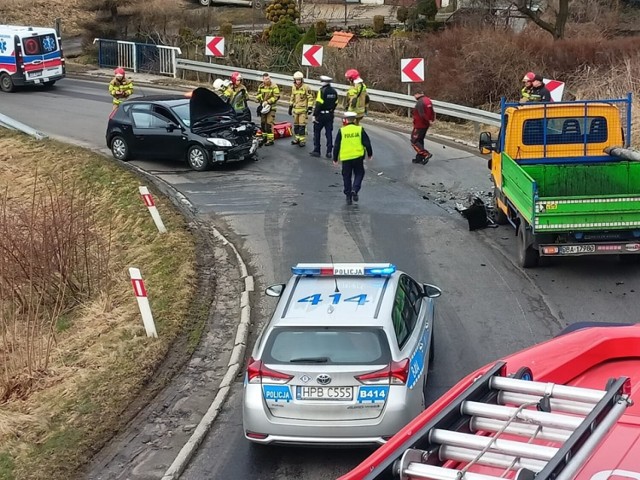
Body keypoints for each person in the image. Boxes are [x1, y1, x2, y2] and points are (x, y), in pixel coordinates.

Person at [332, 111, 373, 205]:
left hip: (346, 158)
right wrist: (370, 154)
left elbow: (337, 145)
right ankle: (355, 189)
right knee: (359, 173)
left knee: (346, 176)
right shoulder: (359, 129)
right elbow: (367, 143)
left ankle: (348, 196)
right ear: (354, 119)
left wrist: (335, 158)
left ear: (345, 120)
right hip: (358, 157)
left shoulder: (342, 131)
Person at [310, 75, 338, 158]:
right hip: (330, 115)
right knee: (329, 133)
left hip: (321, 115)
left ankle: (317, 150)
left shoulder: (322, 91)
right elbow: (336, 103)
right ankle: (329, 151)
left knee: (317, 132)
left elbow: (319, 104)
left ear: (323, 82)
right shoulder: (334, 91)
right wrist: (331, 110)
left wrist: (314, 115)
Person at [288, 71, 314, 147]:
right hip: (296, 110)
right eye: (297, 80)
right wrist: (290, 107)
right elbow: (292, 97)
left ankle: (302, 140)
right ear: (294, 80)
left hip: (303, 110)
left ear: (302, 80)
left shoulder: (306, 87)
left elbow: (310, 98)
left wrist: (310, 108)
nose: (298, 81)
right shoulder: (294, 87)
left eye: (299, 80)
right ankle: (297, 139)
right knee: (296, 126)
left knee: (302, 126)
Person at [411, 89, 435, 165]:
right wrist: (431, 120)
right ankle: (419, 158)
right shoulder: (428, 100)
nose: (414, 97)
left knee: (414, 141)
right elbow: (432, 111)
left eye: (414, 95)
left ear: (418, 94)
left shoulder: (420, 102)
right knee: (420, 140)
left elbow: (422, 114)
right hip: (425, 125)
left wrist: (428, 120)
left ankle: (426, 153)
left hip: (419, 125)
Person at [256, 73, 280, 146]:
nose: (268, 80)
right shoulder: (261, 86)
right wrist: (260, 100)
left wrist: (268, 102)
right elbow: (258, 95)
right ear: (263, 79)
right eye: (266, 79)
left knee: (269, 123)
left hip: (271, 108)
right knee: (263, 123)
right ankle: (264, 137)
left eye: (269, 78)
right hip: (263, 108)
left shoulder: (274, 86)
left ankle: (270, 140)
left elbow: (276, 96)